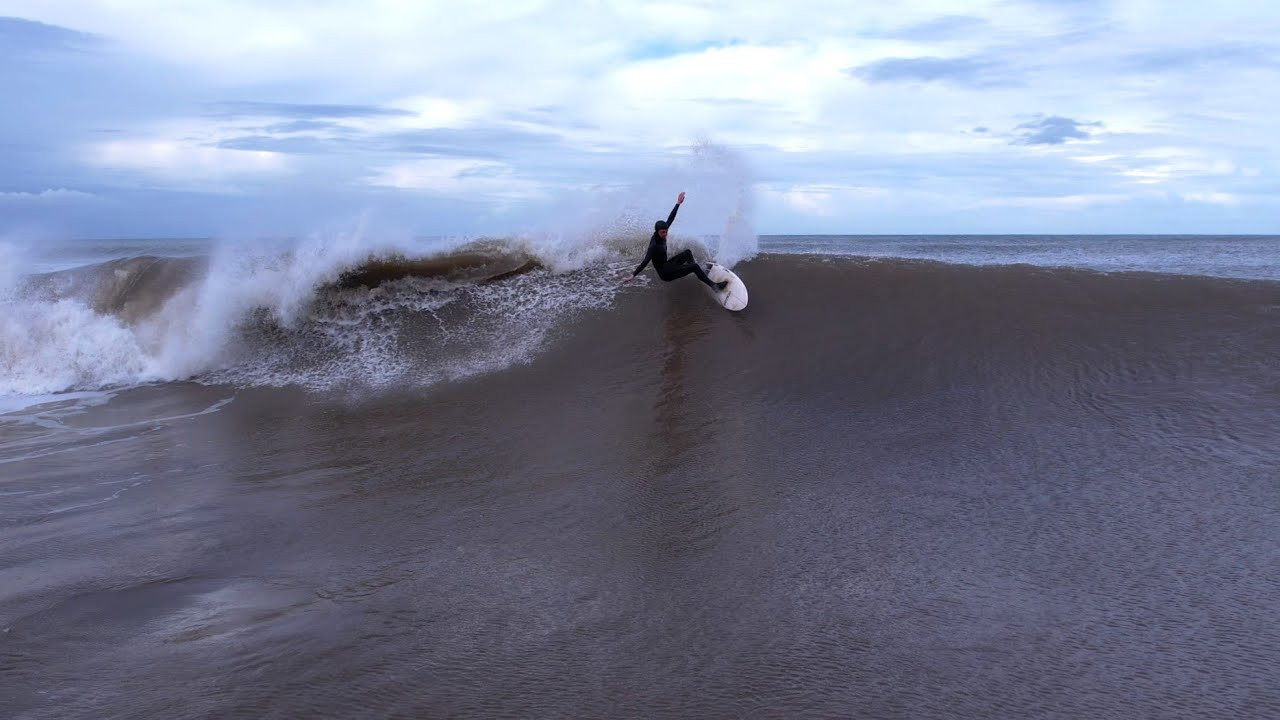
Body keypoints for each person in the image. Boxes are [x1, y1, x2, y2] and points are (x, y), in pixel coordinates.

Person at [622, 192, 727, 291]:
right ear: (657, 231)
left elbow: (670, 218)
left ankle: (698, 272)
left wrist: (678, 203)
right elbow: (645, 262)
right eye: (663, 232)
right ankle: (714, 286)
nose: (665, 234)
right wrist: (633, 275)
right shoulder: (654, 246)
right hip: (666, 274)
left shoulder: (663, 232)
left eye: (666, 231)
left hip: (668, 265)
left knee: (688, 253)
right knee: (694, 266)